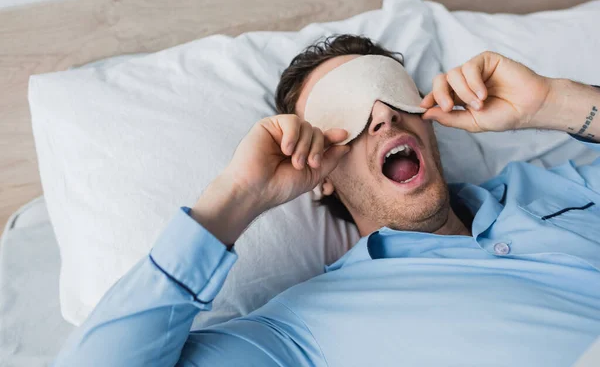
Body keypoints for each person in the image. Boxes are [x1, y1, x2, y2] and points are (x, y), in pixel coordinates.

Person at [54, 35, 600, 367]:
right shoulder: (304, 329)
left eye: (392, 93)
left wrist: (555, 102)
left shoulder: (549, 186)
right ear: (321, 174)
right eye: (350, 114)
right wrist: (235, 200)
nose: (383, 116)